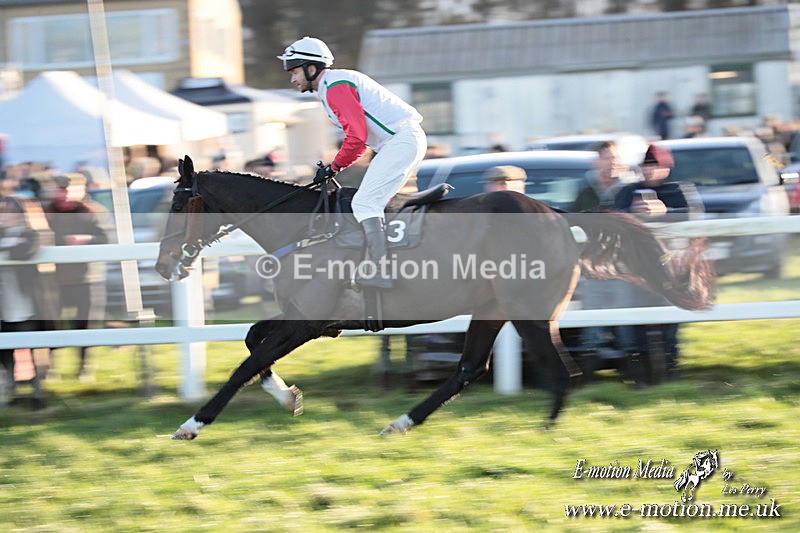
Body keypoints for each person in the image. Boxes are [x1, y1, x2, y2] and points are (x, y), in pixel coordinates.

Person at [277, 36, 427, 289]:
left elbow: (357, 137)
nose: (293, 79)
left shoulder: (335, 87)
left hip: (400, 142)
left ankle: (380, 269)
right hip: (398, 142)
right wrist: (335, 165)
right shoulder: (331, 85)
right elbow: (359, 138)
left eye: (294, 72)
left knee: (364, 203)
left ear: (311, 68)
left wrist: (334, 167)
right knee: (374, 201)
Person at [613, 144, 704, 377]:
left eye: (655, 166)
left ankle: (669, 368)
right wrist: (632, 213)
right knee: (636, 320)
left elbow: (694, 215)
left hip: (670, 266)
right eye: (646, 166)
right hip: (635, 267)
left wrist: (664, 212)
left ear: (666, 168)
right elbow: (612, 218)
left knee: (669, 320)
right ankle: (638, 372)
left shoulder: (679, 190)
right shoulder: (628, 191)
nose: (650, 171)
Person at [44, 173, 110, 381]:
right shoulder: (46, 212)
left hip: (86, 278)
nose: (64, 194)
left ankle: (83, 368)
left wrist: (86, 239)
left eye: (68, 190)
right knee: (50, 325)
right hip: (52, 279)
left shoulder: (92, 211)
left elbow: (106, 239)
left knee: (86, 324)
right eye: (60, 190)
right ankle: (49, 369)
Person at [0, 187, 60, 404]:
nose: (5, 215)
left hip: (29, 303)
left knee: (36, 345)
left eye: (10, 211)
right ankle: (11, 388)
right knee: (6, 349)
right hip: (5, 303)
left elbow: (23, 252)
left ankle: (37, 389)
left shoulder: (33, 233)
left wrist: (8, 248)